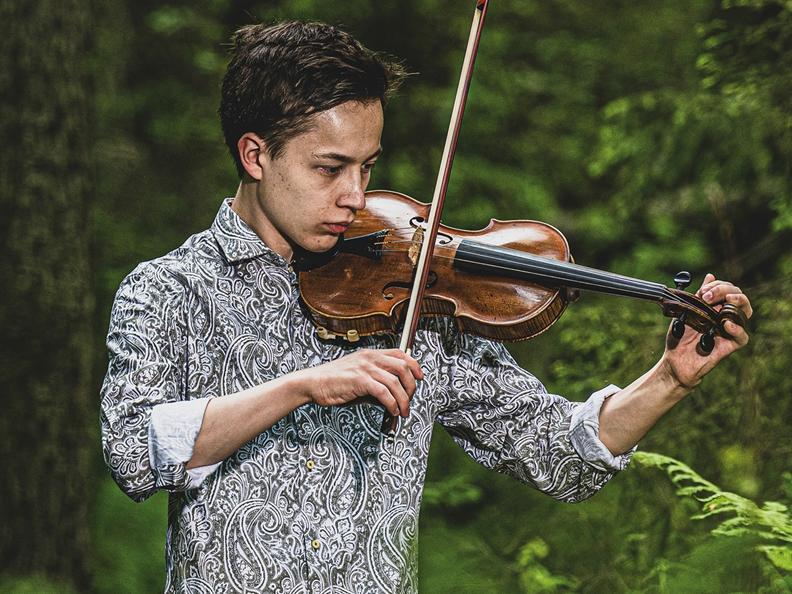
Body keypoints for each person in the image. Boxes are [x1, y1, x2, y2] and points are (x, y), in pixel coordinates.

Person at [100, 21, 752, 593]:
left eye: (367, 166)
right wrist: (300, 386)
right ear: (255, 154)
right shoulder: (169, 290)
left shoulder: (415, 294)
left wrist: (669, 379)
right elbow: (133, 452)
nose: (356, 196)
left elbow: (556, 452)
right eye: (329, 169)